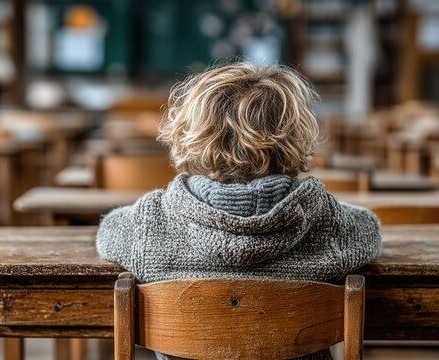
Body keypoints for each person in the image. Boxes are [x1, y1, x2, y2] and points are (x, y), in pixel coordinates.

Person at [96, 63, 382, 360]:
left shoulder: (150, 222)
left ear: (193, 133)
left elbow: (107, 232)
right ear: (294, 137)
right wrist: (320, 202)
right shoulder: (328, 221)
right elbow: (369, 228)